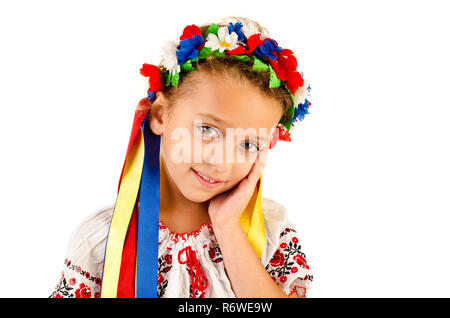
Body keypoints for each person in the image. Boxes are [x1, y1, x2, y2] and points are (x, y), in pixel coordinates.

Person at [49, 16, 314, 298]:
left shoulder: (270, 233)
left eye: (248, 144)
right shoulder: (103, 240)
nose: (221, 162)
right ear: (160, 114)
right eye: (207, 130)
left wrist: (228, 227)